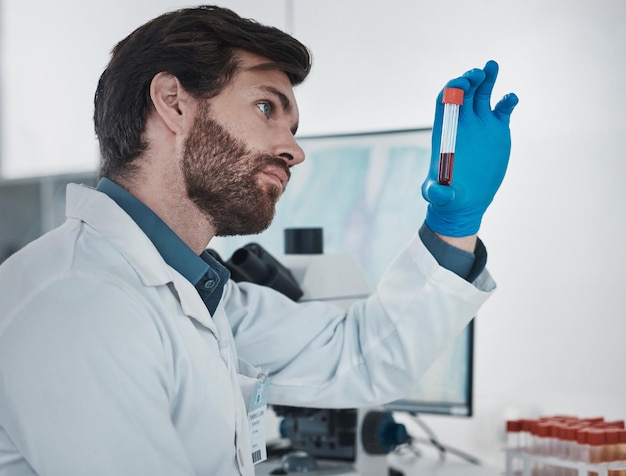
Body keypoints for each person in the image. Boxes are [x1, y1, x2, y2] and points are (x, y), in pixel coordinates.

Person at [0, 5, 518, 476]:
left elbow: (359, 355)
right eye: (268, 108)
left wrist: (454, 223)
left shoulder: (197, 296)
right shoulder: (79, 302)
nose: (294, 150)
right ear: (173, 104)